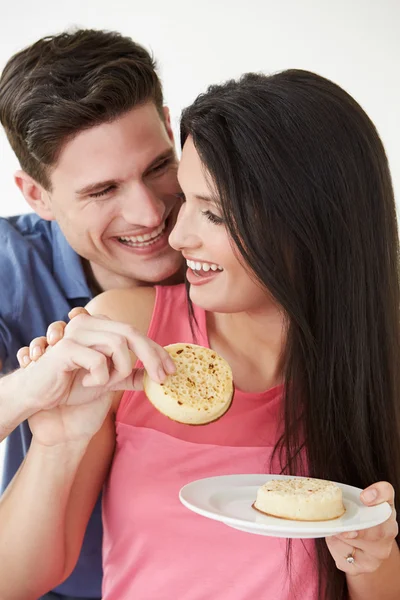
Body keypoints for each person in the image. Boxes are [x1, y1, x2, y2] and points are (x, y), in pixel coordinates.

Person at [1, 69, 399, 600]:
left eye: (211, 212)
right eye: (185, 200)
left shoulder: (379, 366)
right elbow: (15, 583)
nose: (177, 233)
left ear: (308, 223)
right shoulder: (130, 331)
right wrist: (58, 444)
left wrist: (370, 558)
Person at [0, 28, 183, 600]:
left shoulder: (237, 252)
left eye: (158, 166)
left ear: (172, 129)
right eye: (103, 190)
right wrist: (32, 388)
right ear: (37, 196)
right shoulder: (10, 265)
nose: (149, 212)